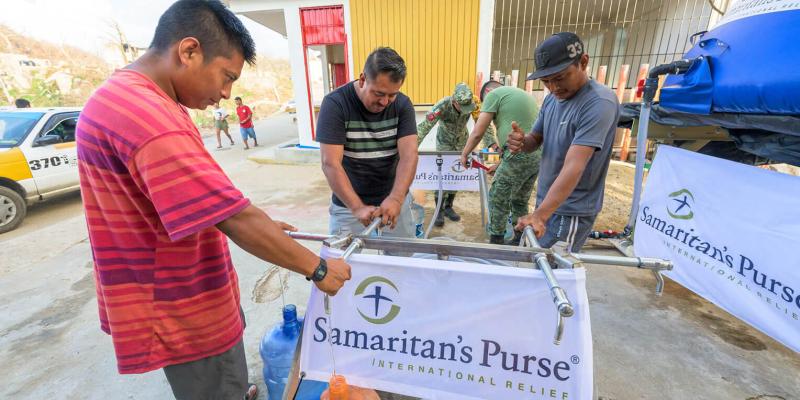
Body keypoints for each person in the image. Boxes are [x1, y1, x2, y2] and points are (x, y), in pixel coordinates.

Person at [75, 2, 351, 399]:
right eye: (227, 76)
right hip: (185, 310)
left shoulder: (133, 98)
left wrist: (258, 223)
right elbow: (234, 219)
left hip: (183, 294)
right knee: (217, 389)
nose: (225, 93)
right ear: (189, 51)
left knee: (226, 385)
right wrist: (319, 269)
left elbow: (197, 200)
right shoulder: (145, 114)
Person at [507, 32, 620, 253]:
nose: (553, 87)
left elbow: (574, 166)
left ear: (583, 62)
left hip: (572, 210)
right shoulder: (552, 99)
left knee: (554, 276)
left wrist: (540, 215)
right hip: (548, 203)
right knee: (536, 272)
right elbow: (535, 140)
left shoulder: (598, 102)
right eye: (546, 80)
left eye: (559, 77)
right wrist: (522, 142)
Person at [316, 47, 418, 239]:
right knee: (342, 264)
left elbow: (409, 155)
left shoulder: (403, 105)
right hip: (347, 204)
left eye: (392, 94)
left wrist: (396, 198)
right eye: (379, 93)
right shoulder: (335, 104)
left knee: (402, 262)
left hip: (394, 201)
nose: (385, 102)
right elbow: (330, 163)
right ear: (363, 79)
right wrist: (356, 207)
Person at [460, 80, 541, 245]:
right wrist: (501, 164)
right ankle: (520, 238)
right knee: (519, 199)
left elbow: (478, 131)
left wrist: (465, 153)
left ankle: (496, 242)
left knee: (498, 197)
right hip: (537, 154)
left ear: (488, 91)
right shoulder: (523, 95)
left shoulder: (494, 95)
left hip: (518, 154)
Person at [417, 82, 497, 227]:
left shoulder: (474, 103)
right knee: (442, 175)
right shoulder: (442, 105)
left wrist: (491, 143)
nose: (467, 110)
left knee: (457, 173)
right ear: (454, 101)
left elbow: (483, 125)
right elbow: (424, 127)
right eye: (462, 107)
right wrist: (412, 146)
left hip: (463, 142)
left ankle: (449, 207)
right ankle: (439, 210)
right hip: (444, 143)